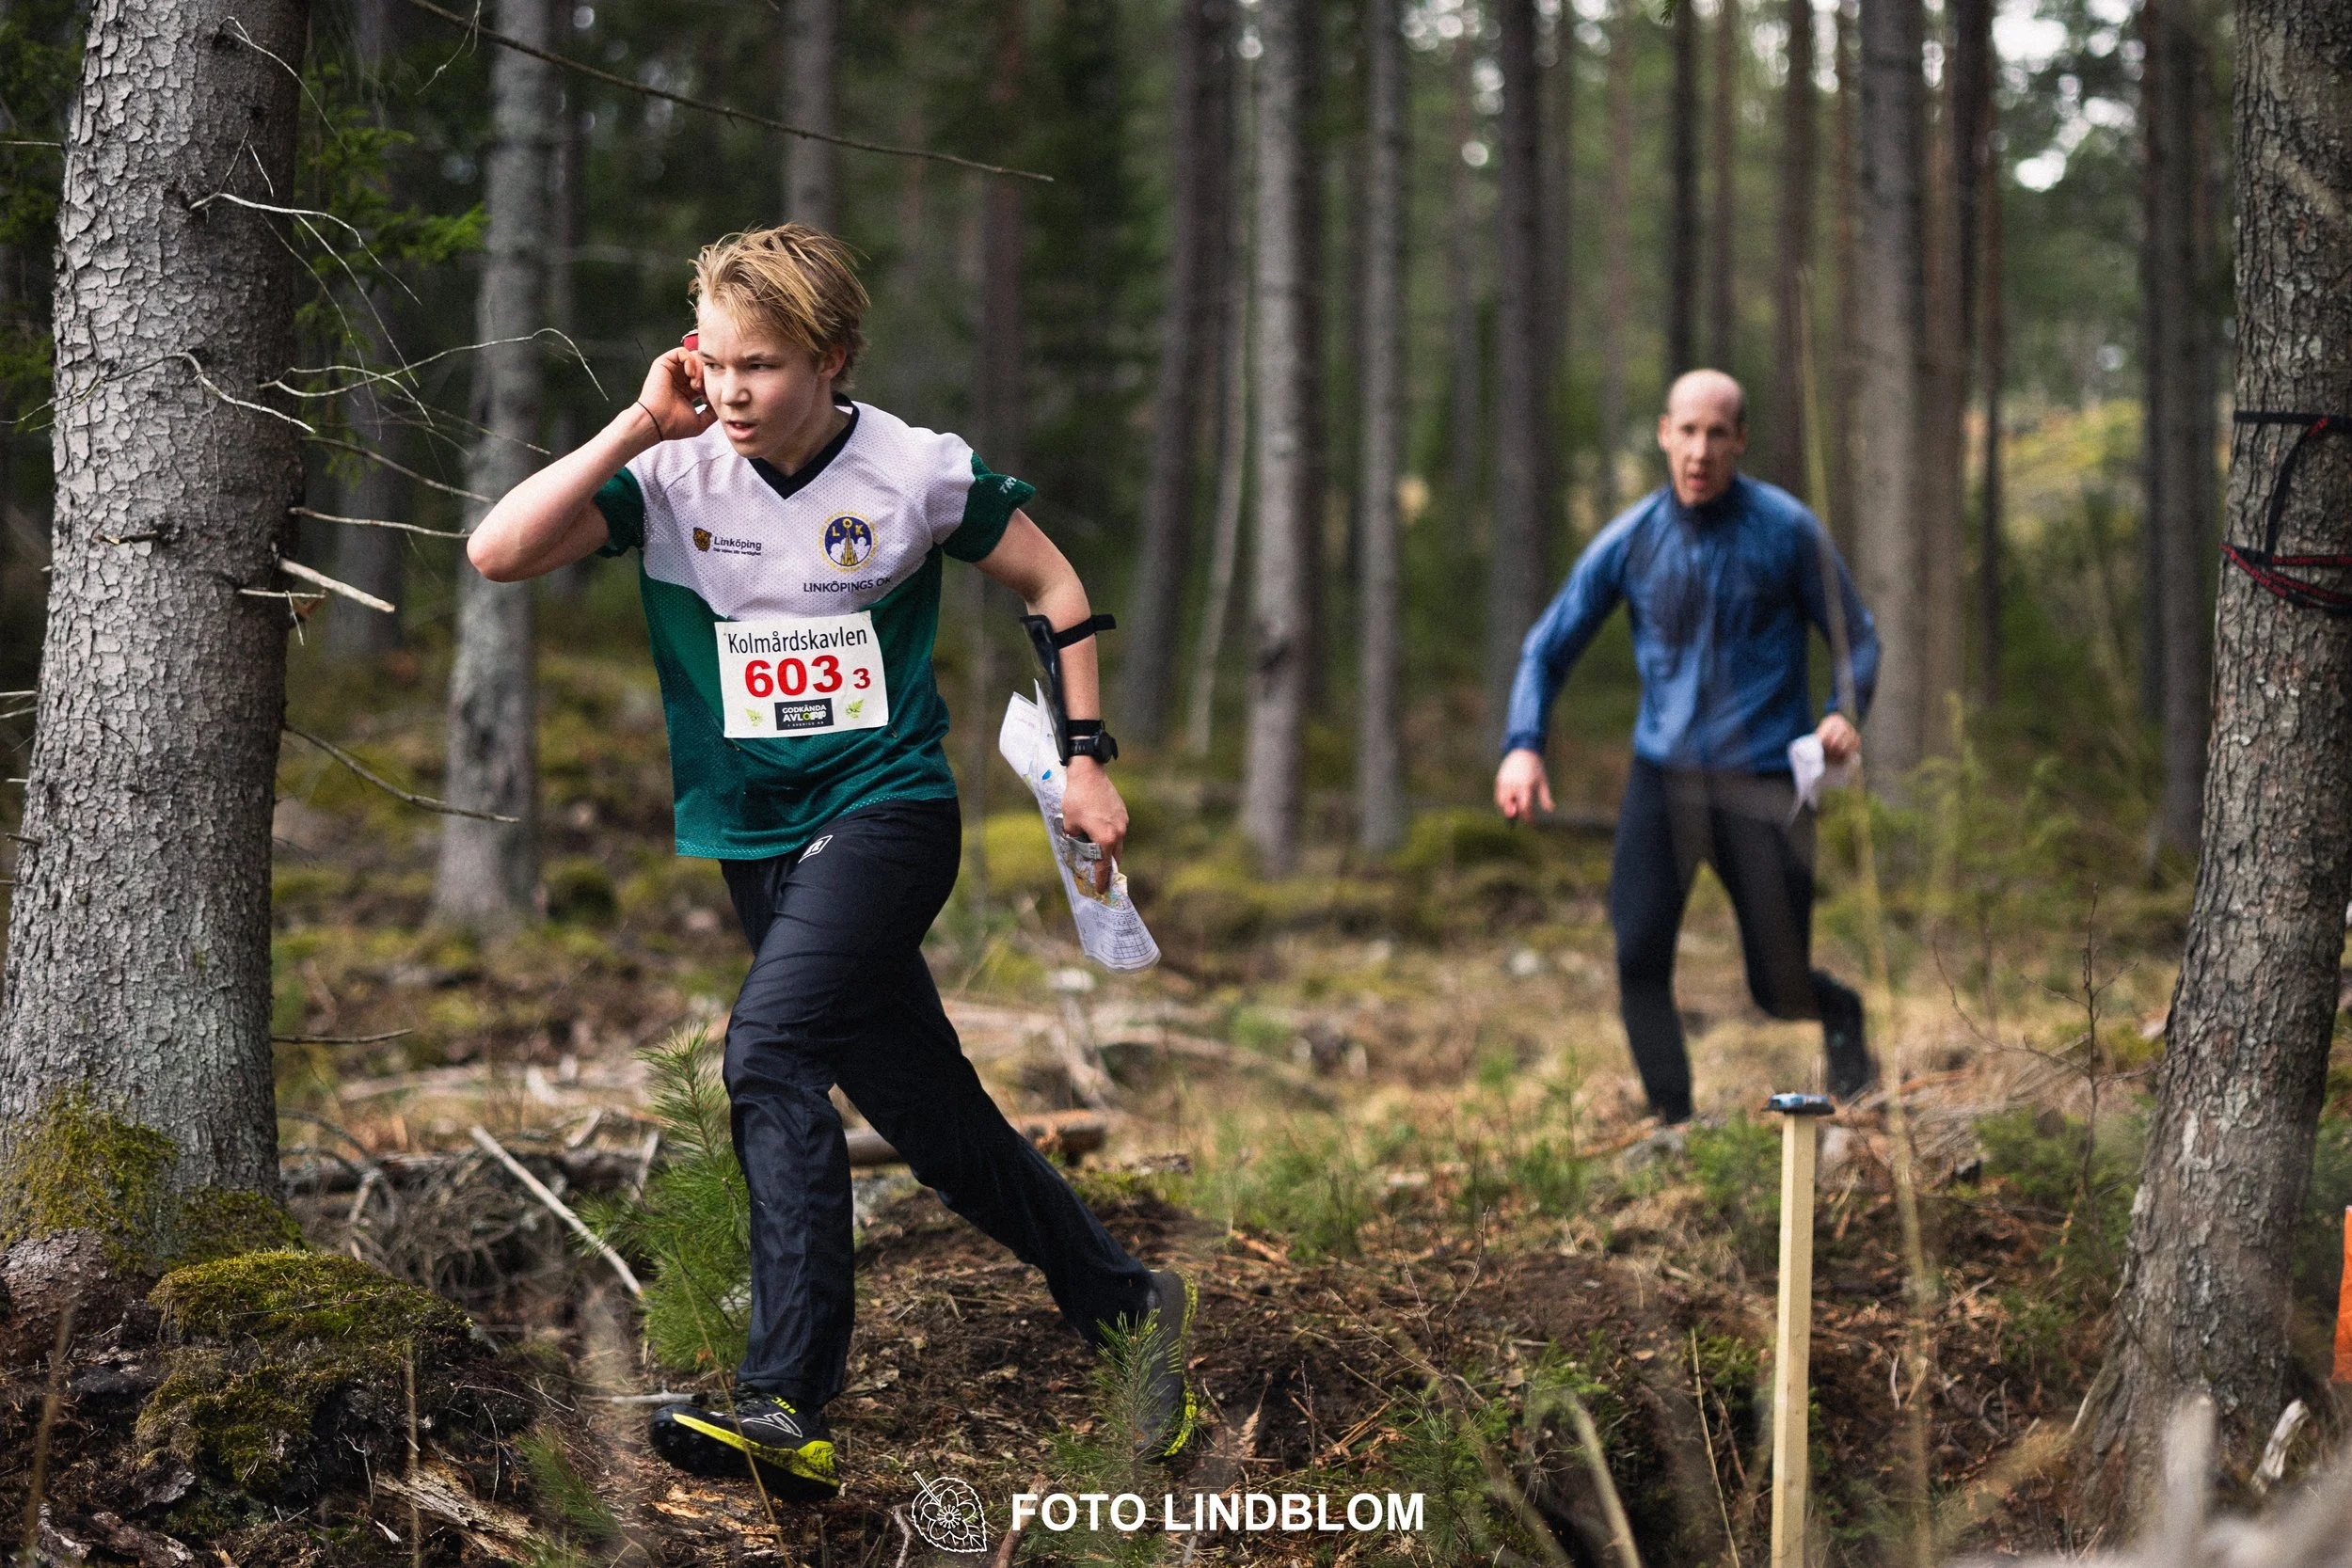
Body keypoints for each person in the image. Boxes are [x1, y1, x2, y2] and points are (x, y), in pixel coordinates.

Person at [465, 225, 1197, 1499]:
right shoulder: (680, 472)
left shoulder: (916, 469)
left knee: (769, 1052)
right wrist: (639, 425)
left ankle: (786, 1394)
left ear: (832, 357)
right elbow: (499, 550)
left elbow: (1055, 580)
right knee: (932, 1116)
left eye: (763, 364)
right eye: (715, 358)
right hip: (755, 833)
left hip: (889, 810)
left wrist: (1084, 756)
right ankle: (1128, 1300)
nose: (734, 388)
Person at [1493, 370, 1881, 1126]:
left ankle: (1845, 1022)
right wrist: (1523, 744)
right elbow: (1546, 647)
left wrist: (1844, 710)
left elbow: (1857, 638)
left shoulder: (1787, 529)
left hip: (1766, 783)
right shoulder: (1633, 538)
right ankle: (1671, 1123)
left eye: (1717, 434)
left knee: (1778, 987)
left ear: (1739, 440)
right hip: (1663, 780)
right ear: (1664, 433)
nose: (1700, 451)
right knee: (1639, 957)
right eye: (1687, 432)